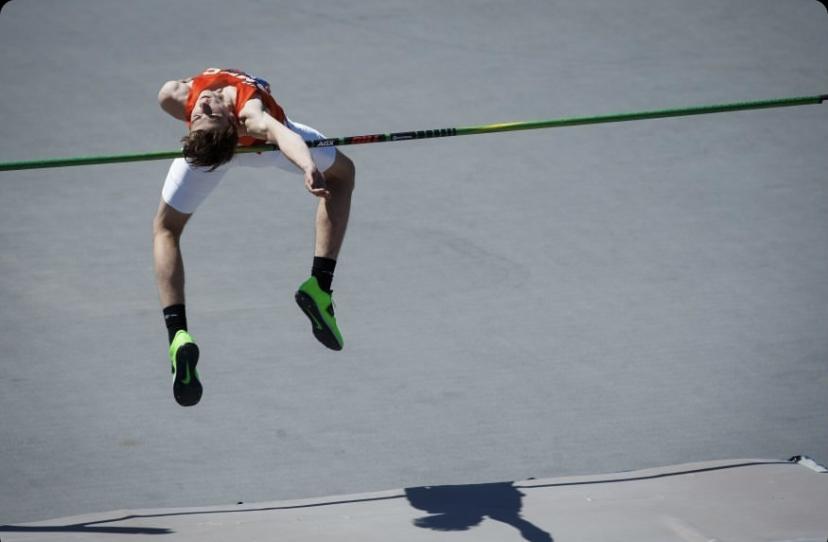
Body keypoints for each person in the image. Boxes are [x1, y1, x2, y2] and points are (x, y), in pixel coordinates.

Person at [154, 67, 355, 407]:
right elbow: (278, 133)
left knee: (166, 227)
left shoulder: (211, 106)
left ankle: (177, 335)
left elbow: (276, 134)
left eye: (200, 115)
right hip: (244, 150)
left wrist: (307, 166)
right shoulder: (241, 114)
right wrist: (308, 165)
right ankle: (318, 288)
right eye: (206, 115)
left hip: (238, 150)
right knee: (344, 176)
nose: (202, 107)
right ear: (230, 124)